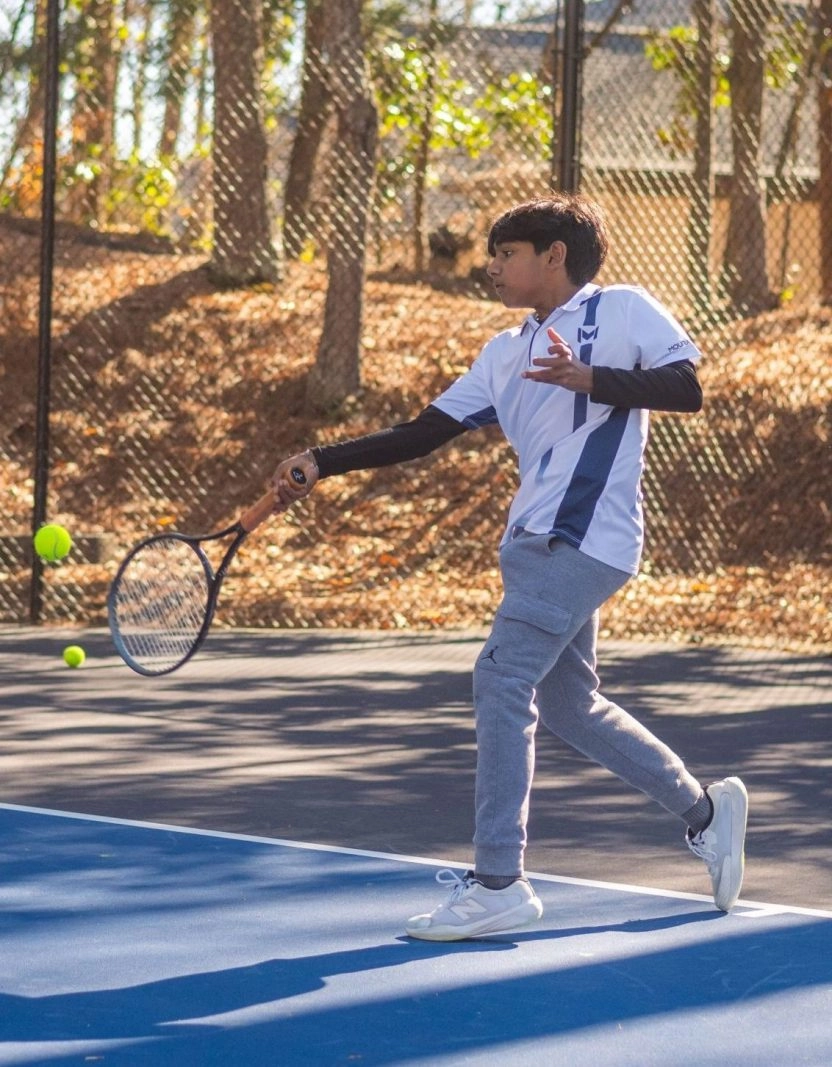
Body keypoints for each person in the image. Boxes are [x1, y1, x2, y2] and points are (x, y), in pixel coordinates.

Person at [272, 194, 748, 941]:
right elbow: (422, 433)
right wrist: (322, 462)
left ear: (552, 255)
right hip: (531, 548)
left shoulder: (621, 310)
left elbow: (687, 385)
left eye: (506, 253)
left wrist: (592, 378)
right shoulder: (504, 352)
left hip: (587, 538)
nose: (492, 267)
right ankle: (707, 814)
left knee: (500, 676)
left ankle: (499, 879)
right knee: (568, 705)